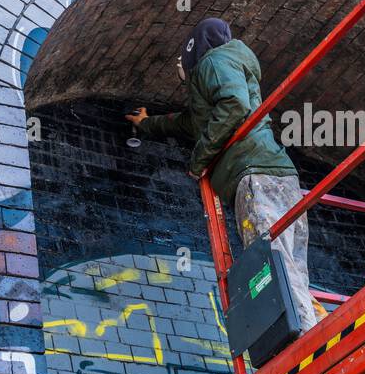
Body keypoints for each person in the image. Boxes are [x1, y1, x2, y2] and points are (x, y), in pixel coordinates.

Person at [126, 18, 319, 332]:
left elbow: (233, 104)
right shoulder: (226, 72)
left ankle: (303, 340)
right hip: (279, 174)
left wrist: (198, 161)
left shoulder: (213, 61)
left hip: (253, 174)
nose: (180, 68)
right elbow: (187, 122)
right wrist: (146, 123)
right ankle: (311, 328)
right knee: (291, 264)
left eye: (182, 61)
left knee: (272, 259)